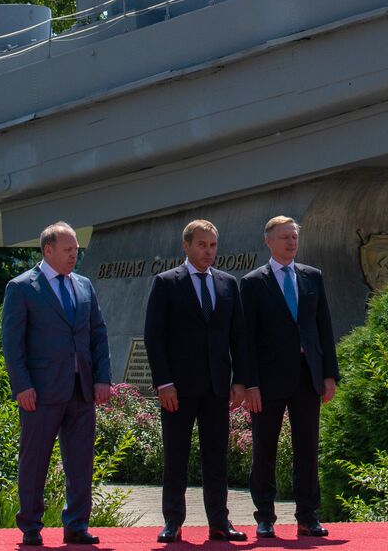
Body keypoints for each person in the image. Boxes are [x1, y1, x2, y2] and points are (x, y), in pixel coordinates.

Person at [1, 222, 112, 547]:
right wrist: (22, 385)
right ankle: (31, 526)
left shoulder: (84, 286)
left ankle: (77, 524)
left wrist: (103, 378)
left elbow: (98, 333)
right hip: (40, 391)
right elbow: (12, 343)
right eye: (68, 250)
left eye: (76, 249)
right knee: (35, 461)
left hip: (81, 390)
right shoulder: (21, 288)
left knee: (80, 462)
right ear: (47, 250)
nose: (74, 255)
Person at [143, 219, 248, 542]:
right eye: (202, 245)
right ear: (186, 246)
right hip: (178, 388)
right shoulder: (166, 283)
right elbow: (154, 337)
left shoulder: (228, 284)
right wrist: (164, 383)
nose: (208, 251)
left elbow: (238, 337)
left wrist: (240, 380)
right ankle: (173, 522)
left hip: (217, 387)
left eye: (213, 245)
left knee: (216, 455)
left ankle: (219, 522)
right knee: (176, 455)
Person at [240, 216, 339, 539]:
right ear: (268, 241)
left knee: (307, 449)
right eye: (284, 238)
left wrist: (329, 376)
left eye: (294, 237)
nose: (291, 243)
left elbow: (323, 328)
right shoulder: (254, 282)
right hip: (267, 382)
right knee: (264, 450)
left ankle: (308, 516)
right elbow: (246, 338)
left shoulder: (312, 276)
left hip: (307, 376)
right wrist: (249, 382)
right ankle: (265, 516)